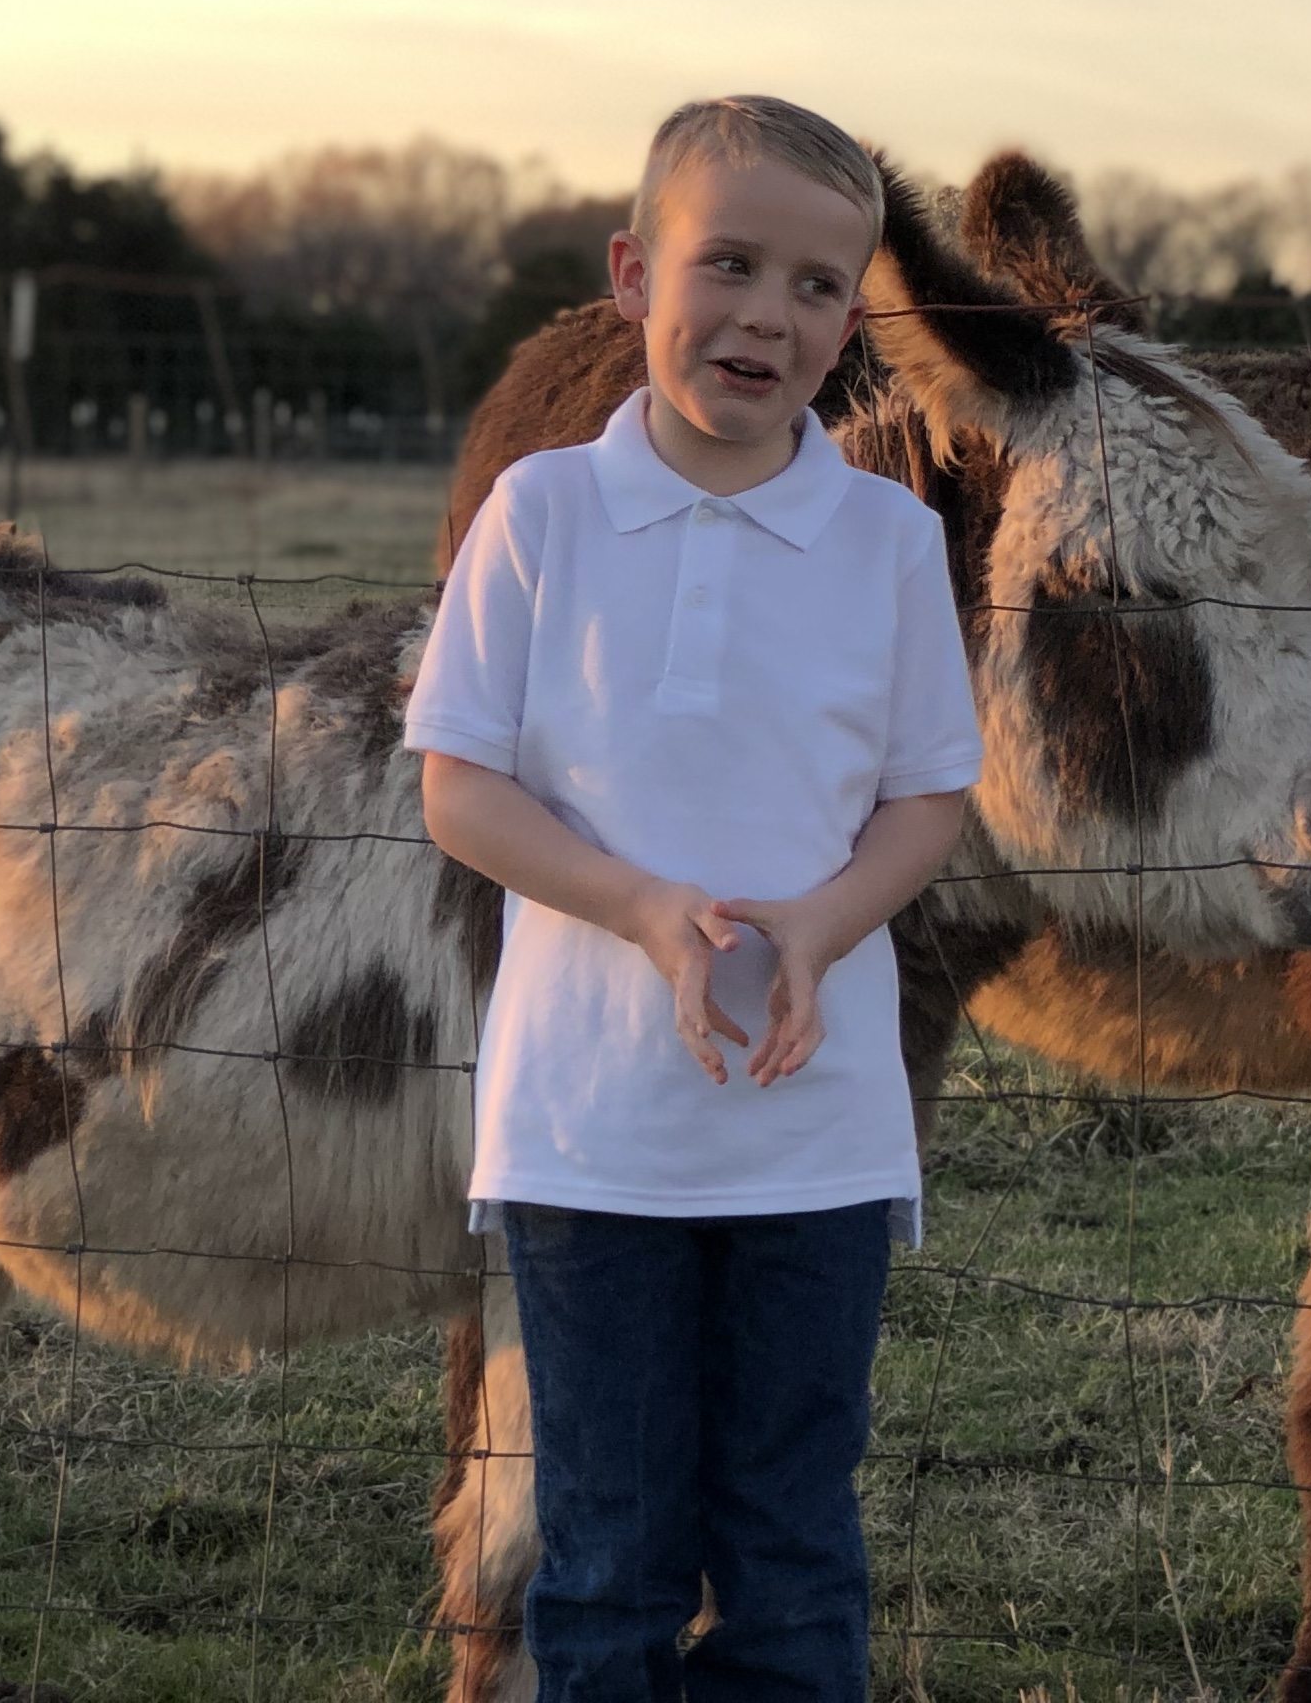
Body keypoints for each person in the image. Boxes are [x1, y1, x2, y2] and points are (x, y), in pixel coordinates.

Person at [408, 94, 980, 1703]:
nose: (769, 315)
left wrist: (824, 924)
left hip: (818, 1140)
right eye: (727, 263)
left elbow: (929, 798)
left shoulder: (887, 541)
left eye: (818, 286)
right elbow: (461, 790)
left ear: (852, 326)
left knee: (793, 1559)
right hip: (592, 1139)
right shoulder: (542, 515)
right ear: (631, 275)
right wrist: (645, 908)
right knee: (611, 1560)